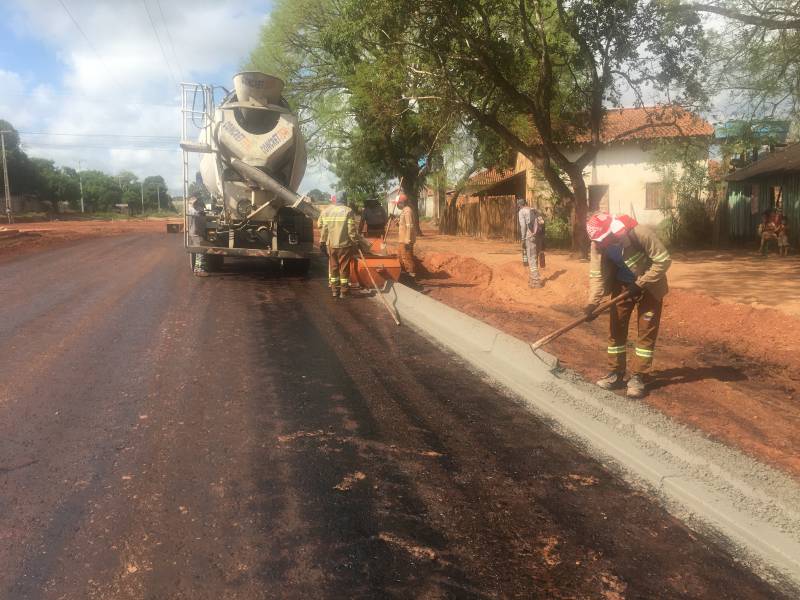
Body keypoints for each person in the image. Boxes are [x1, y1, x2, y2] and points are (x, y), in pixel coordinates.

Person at [584, 212, 672, 398]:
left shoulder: (640, 233)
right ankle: (616, 373)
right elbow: (596, 275)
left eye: (603, 239)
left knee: (646, 332)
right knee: (616, 328)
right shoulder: (598, 244)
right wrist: (593, 303)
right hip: (623, 287)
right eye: (598, 241)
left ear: (612, 231)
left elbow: (663, 260)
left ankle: (639, 376)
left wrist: (640, 283)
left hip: (650, 287)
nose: (601, 244)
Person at [318, 193, 361, 298]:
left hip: (332, 245)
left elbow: (325, 229)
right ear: (344, 199)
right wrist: (356, 242)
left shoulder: (329, 211)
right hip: (344, 245)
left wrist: (322, 242)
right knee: (344, 268)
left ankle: (334, 290)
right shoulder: (348, 211)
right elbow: (351, 230)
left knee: (334, 267)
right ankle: (344, 291)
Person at [517, 199, 545, 288]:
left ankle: (536, 281)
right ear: (526, 203)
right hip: (539, 236)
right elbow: (542, 223)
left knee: (531, 258)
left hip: (530, 236)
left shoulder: (522, 211)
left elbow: (523, 226)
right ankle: (533, 278)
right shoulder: (534, 210)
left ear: (519, 205)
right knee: (535, 256)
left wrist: (523, 239)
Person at [396, 192, 417, 278]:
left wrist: (407, 240)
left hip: (405, 240)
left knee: (407, 258)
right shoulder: (404, 211)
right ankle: (406, 274)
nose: (397, 205)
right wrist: (397, 223)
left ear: (402, 203)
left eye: (398, 203)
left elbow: (409, 226)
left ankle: (411, 275)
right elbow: (404, 225)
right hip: (402, 239)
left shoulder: (407, 211)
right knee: (401, 257)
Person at [187, 195, 209, 277]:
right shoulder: (192, 210)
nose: (201, 206)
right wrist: (200, 211)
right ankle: (200, 270)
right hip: (196, 233)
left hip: (198, 233)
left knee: (199, 252)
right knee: (200, 252)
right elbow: (194, 212)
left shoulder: (197, 210)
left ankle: (197, 270)